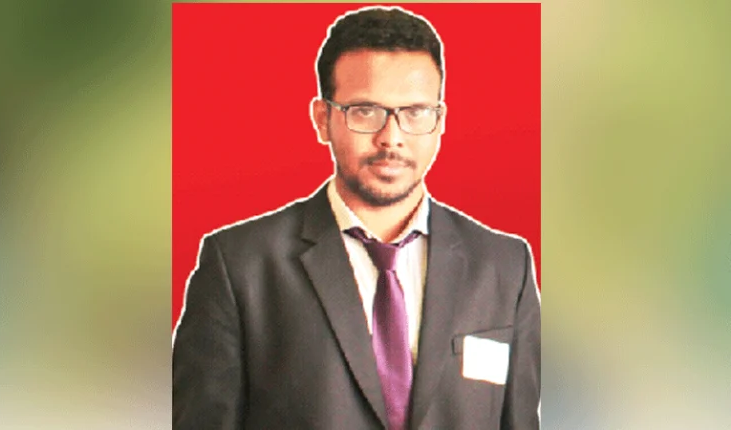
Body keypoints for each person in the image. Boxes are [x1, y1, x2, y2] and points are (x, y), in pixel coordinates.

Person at [173, 5, 540, 430]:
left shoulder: (503, 268)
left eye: (415, 112)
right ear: (322, 119)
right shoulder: (240, 266)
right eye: (366, 110)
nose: (392, 137)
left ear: (440, 121)